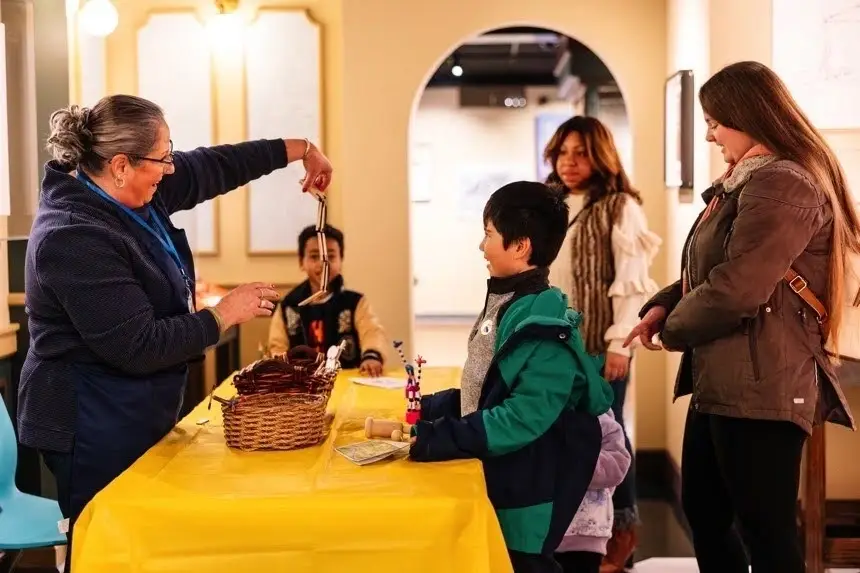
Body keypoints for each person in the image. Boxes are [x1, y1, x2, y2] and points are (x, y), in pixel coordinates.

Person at [16, 94, 334, 572]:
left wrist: (302, 149)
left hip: (134, 407)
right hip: (91, 420)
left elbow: (215, 166)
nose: (170, 168)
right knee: (109, 545)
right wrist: (222, 315)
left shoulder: (133, 186)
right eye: (162, 158)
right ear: (120, 165)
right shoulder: (72, 235)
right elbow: (138, 345)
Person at [625, 61, 859, 573]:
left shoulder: (781, 184)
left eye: (715, 123)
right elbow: (714, 268)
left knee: (765, 531)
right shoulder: (747, 181)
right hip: (729, 377)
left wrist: (674, 329)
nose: (710, 136)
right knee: (707, 514)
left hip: (763, 383)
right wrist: (664, 304)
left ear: (749, 116)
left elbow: (736, 289)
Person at [408, 181, 614, 573]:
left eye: (488, 235)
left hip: (525, 492)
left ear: (519, 246)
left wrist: (439, 437)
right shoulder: (508, 302)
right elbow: (487, 391)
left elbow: (522, 417)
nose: (481, 246)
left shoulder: (545, 325)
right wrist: (429, 408)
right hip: (503, 478)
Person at [544, 115, 660, 570]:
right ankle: (574, 535)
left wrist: (619, 344)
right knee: (562, 434)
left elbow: (631, 283)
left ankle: (620, 534)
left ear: (601, 156)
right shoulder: (549, 203)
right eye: (563, 152)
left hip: (599, 346)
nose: (569, 162)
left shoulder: (620, 207)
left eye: (581, 153)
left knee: (608, 435)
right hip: (553, 348)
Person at [267, 224, 388, 374]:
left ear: (341, 260)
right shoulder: (289, 305)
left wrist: (372, 356)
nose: (323, 264)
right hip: (302, 382)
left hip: (347, 379)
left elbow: (372, 332)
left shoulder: (355, 302)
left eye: (330, 256)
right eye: (314, 256)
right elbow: (277, 346)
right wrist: (281, 368)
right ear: (301, 262)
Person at [554, 409, 631, 573]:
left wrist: (569, 465)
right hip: (536, 533)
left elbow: (617, 465)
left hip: (584, 536)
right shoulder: (532, 411)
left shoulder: (599, 417)